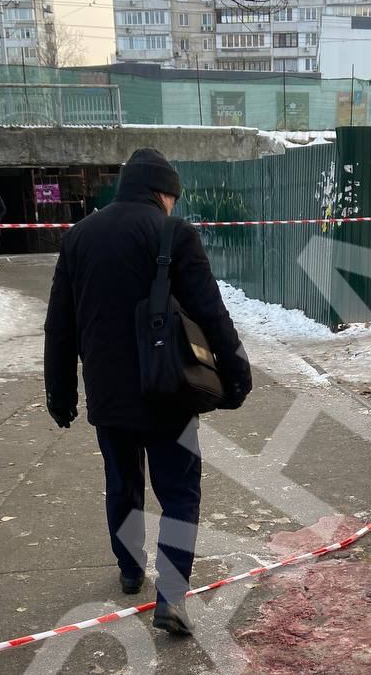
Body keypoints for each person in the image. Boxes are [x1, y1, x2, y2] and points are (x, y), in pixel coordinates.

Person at [43, 147, 252, 637]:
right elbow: (210, 311)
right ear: (163, 193)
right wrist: (236, 374)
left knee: (122, 482)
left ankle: (130, 569)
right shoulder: (174, 233)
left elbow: (59, 325)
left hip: (108, 392)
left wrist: (60, 392)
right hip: (170, 389)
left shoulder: (79, 236)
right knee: (179, 492)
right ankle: (172, 595)